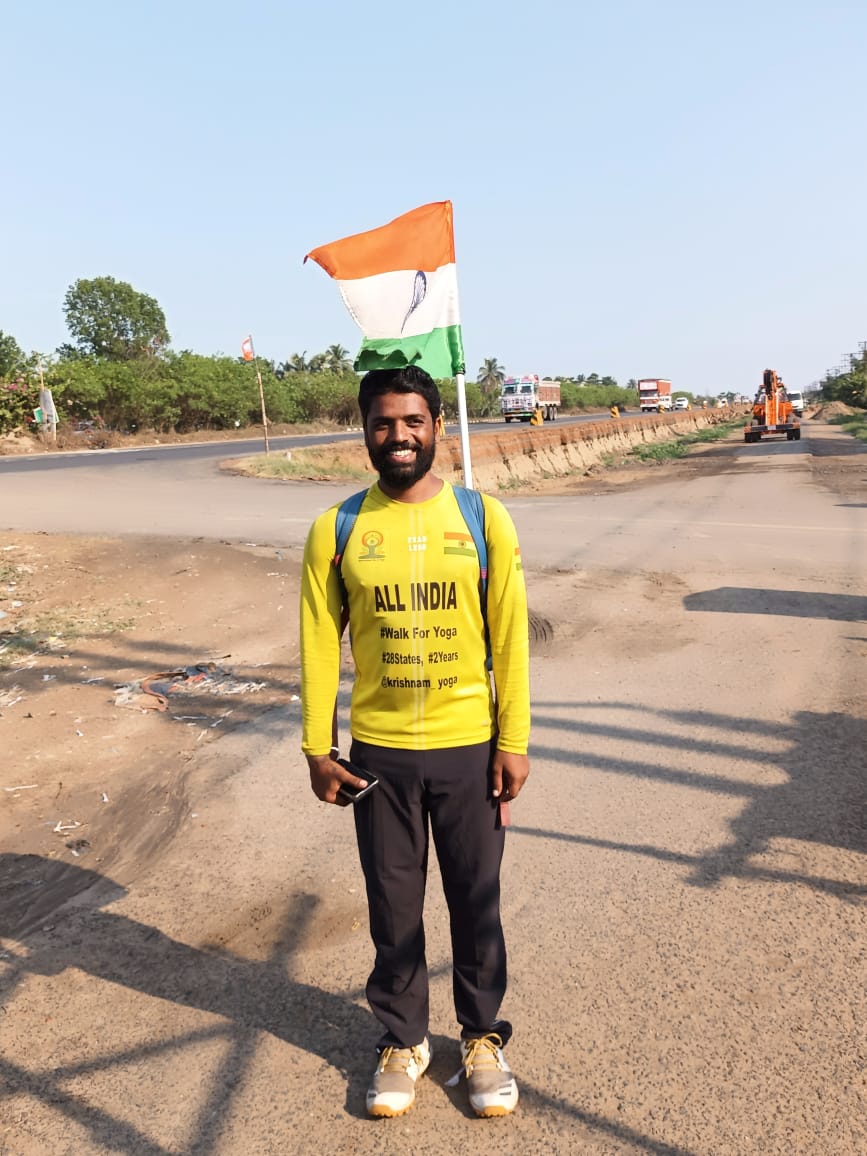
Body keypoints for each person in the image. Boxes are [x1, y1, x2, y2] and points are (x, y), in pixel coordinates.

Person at [300, 365, 530, 1119]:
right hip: (379, 756)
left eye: (412, 422)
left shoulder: (482, 518)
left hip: (469, 747)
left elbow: (511, 637)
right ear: (364, 430)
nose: (398, 437)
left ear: (436, 427)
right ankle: (403, 1042)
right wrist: (316, 746)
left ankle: (481, 1040)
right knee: (393, 906)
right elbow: (314, 642)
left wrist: (513, 738)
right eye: (382, 423)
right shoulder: (337, 528)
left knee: (475, 900)